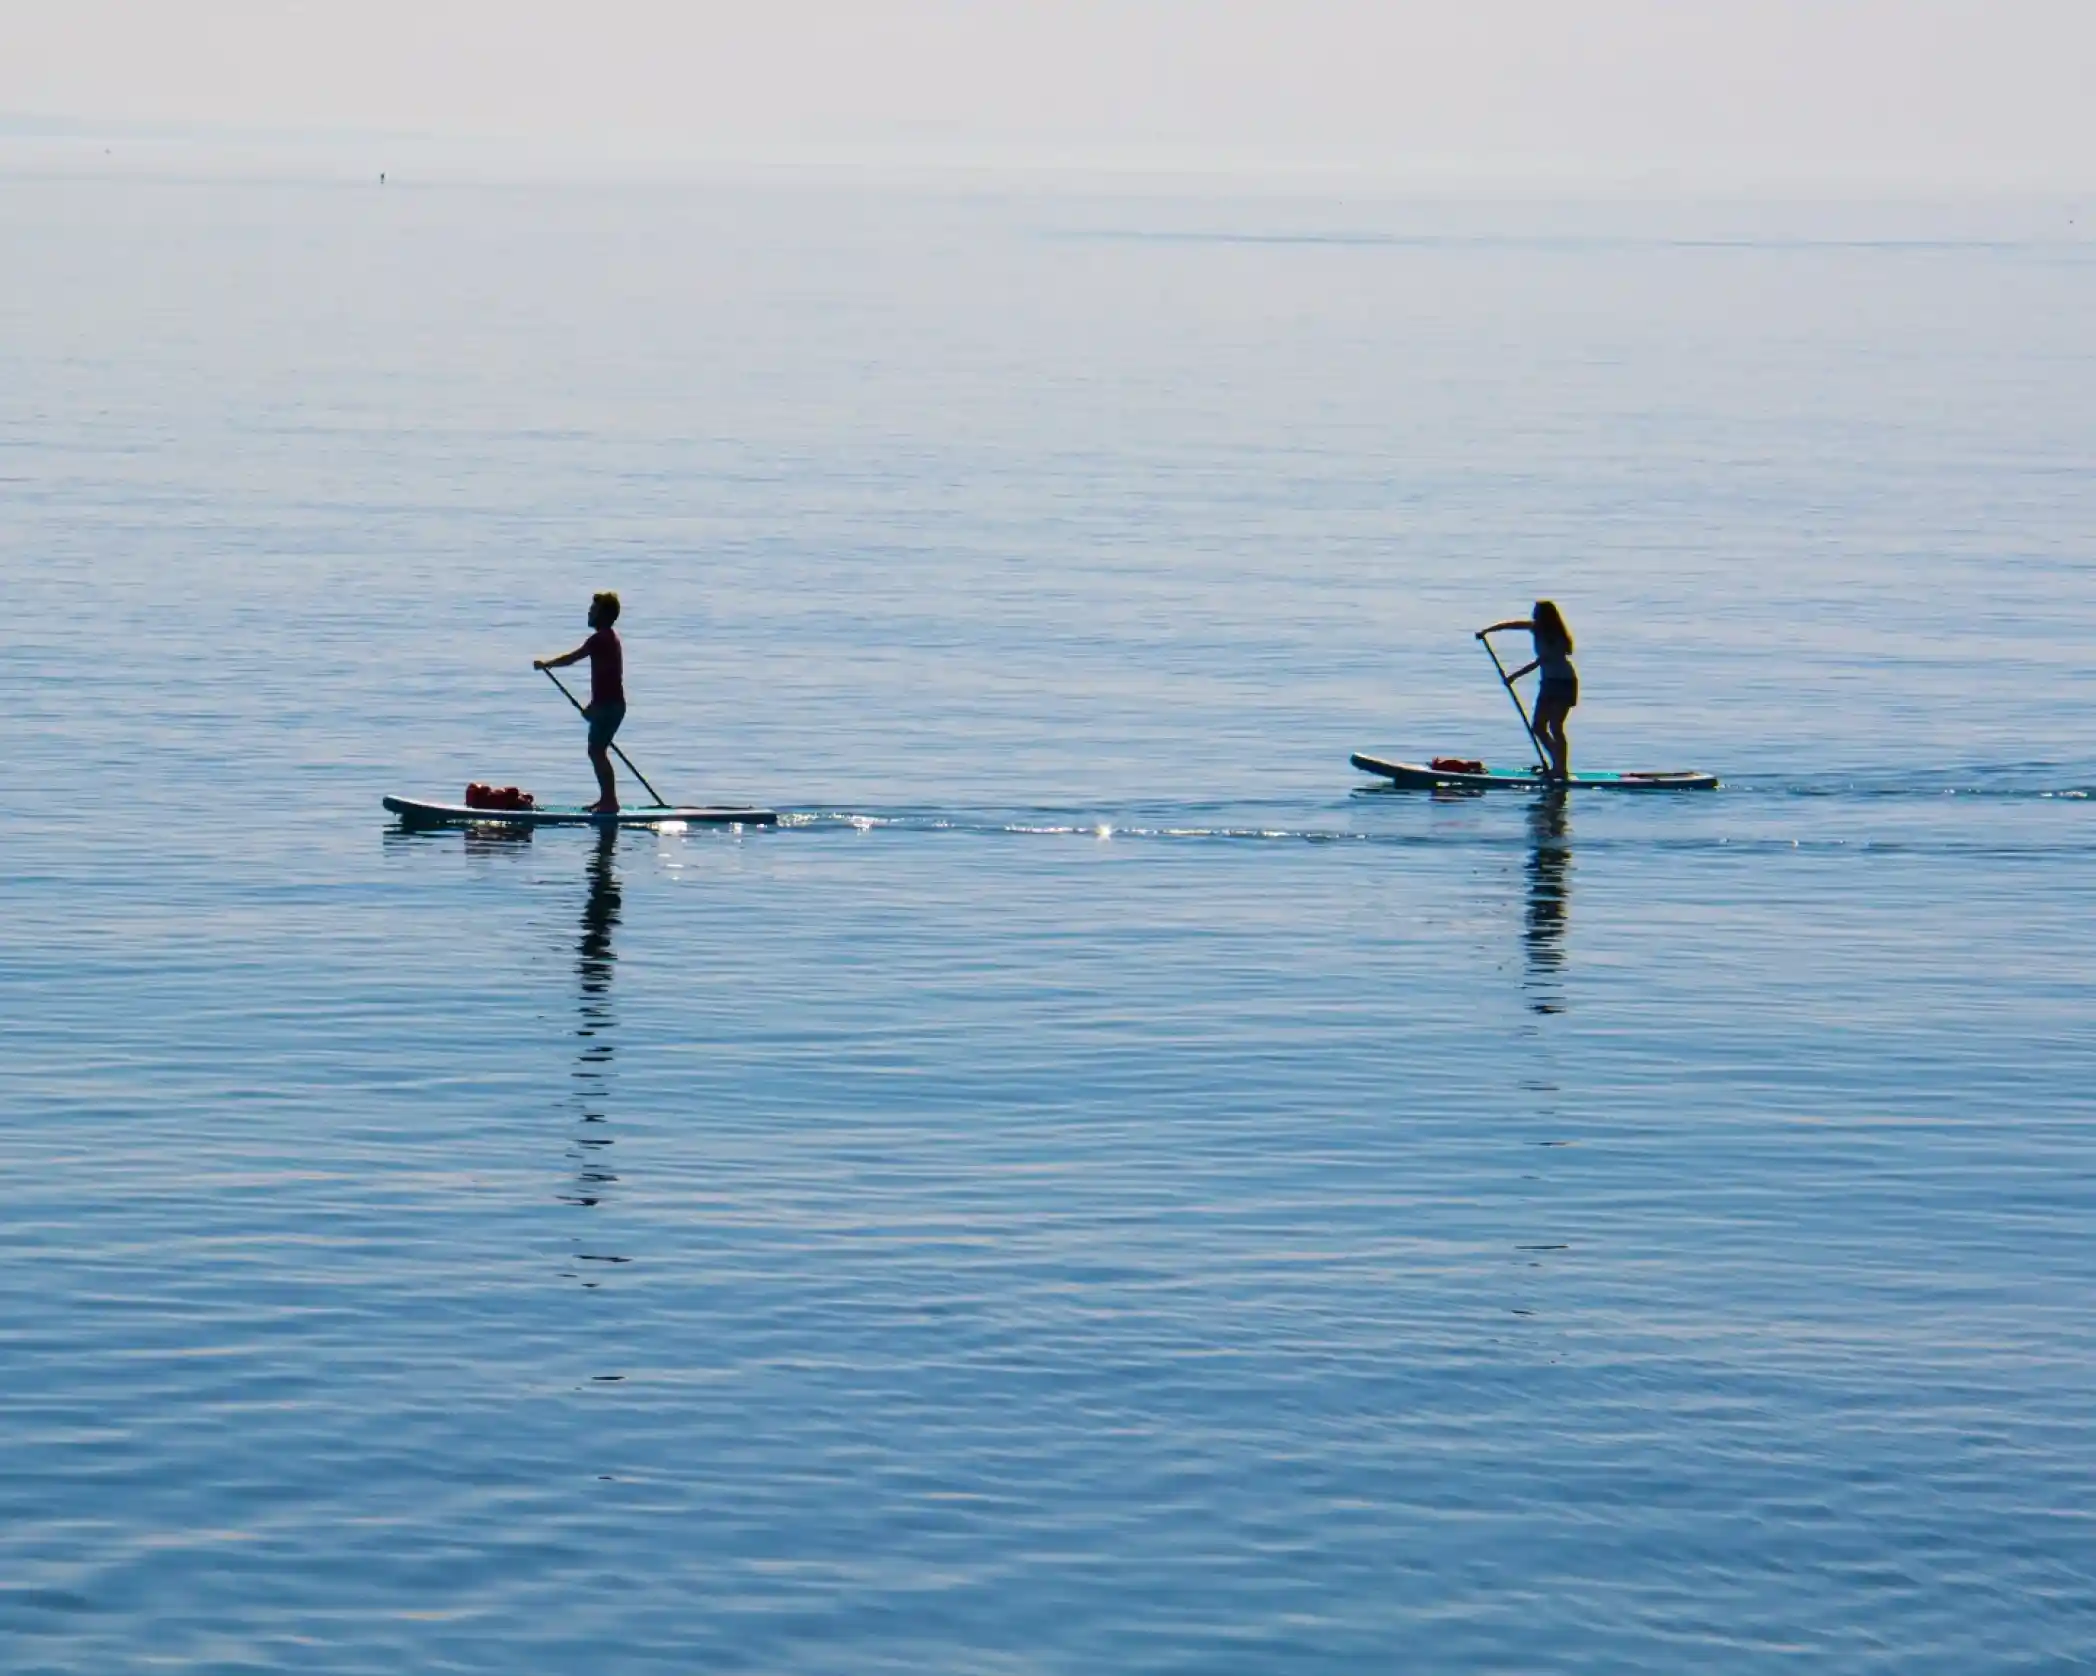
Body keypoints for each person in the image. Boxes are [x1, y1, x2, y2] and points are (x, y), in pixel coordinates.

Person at [535, 592, 626, 812]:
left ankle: (610, 802)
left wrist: (547, 664)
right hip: (611, 705)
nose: (589, 613)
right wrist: (594, 707)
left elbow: (574, 659)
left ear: (603, 615)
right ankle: (607, 799)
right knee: (597, 750)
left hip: (609, 706)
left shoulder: (600, 640)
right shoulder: (610, 638)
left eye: (593, 610)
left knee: (596, 751)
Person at [1479, 600, 1577, 780]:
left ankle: (1560, 769)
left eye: (1536, 612)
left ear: (1545, 615)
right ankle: (1557, 763)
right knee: (1538, 727)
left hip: (1563, 683)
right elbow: (1513, 625)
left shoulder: (1557, 636)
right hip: (1548, 682)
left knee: (1556, 726)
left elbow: (1542, 660)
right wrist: (1488, 631)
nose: (1533, 615)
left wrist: (1514, 676)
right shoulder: (1536, 628)